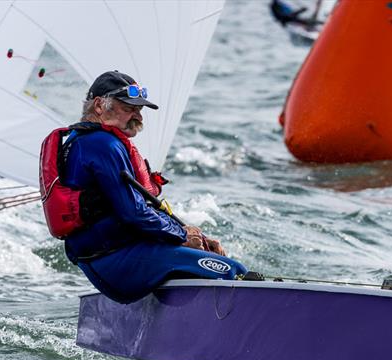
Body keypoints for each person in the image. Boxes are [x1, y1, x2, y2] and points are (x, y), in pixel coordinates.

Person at [42, 70, 248, 303]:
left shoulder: (83, 141)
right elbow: (133, 212)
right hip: (116, 261)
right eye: (129, 108)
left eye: (139, 109)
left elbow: (135, 207)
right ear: (99, 105)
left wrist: (194, 235)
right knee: (233, 271)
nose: (138, 116)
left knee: (202, 259)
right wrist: (181, 235)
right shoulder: (103, 144)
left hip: (110, 257)